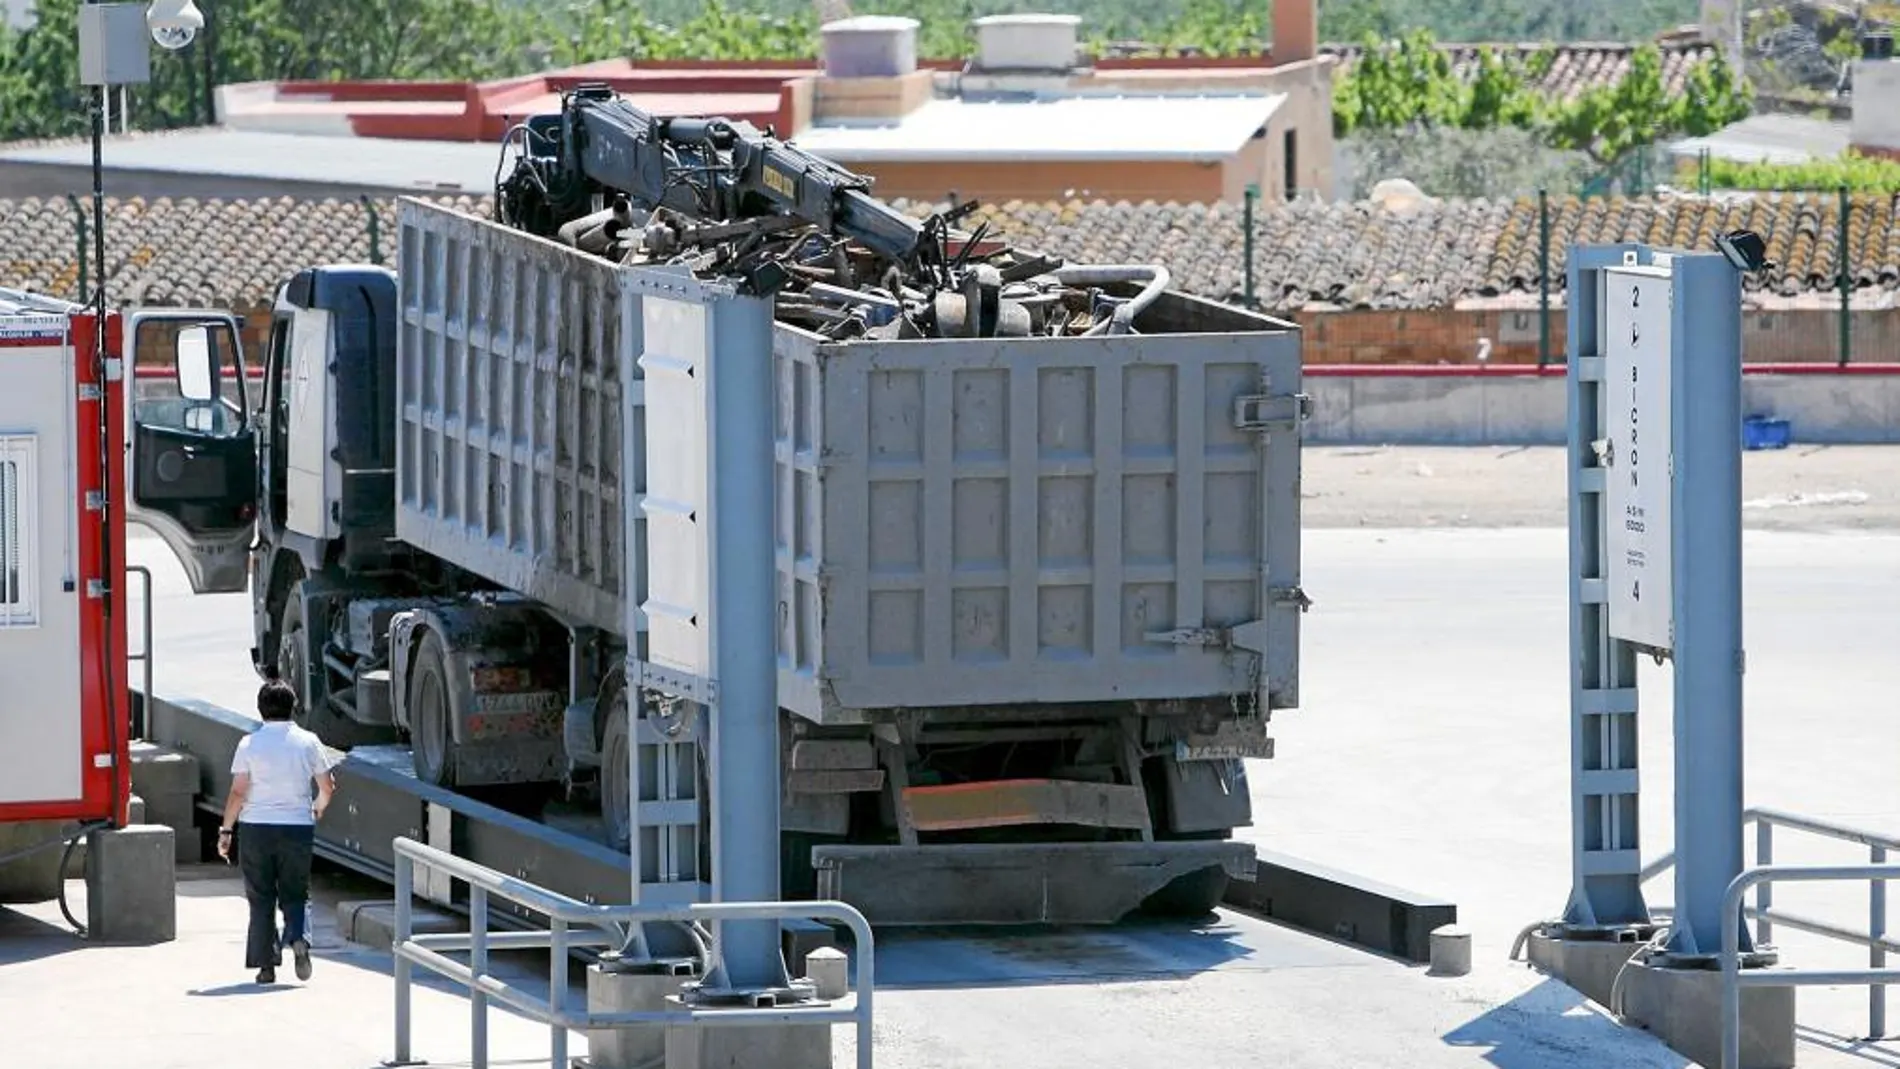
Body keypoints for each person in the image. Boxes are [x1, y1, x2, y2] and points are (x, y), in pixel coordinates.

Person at [217, 678, 336, 984]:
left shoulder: (249, 744)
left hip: (256, 828)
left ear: (260, 709)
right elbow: (327, 786)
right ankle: (298, 938)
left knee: (261, 897)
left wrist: (226, 830)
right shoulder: (308, 741)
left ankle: (266, 966)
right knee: (297, 892)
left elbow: (238, 792)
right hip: (297, 827)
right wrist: (317, 807)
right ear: (293, 707)